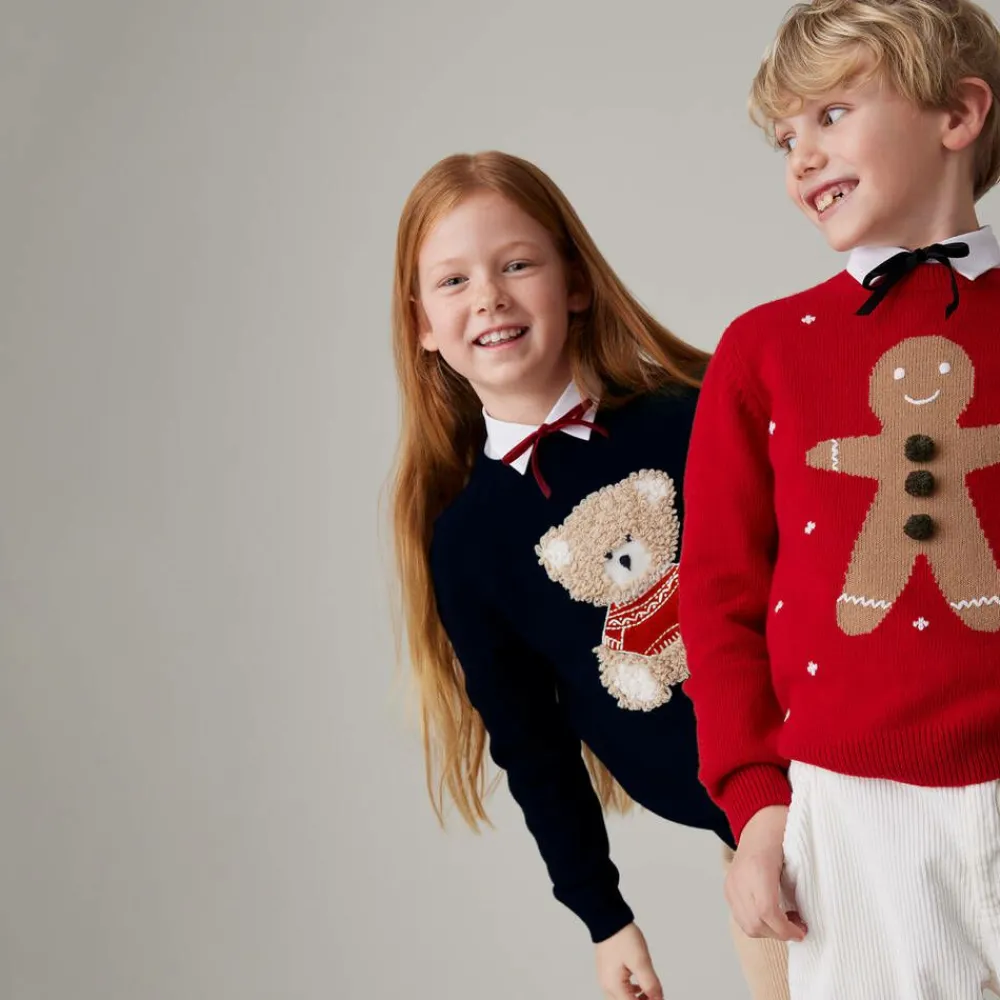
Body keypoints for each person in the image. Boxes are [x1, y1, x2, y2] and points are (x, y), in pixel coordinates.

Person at [389, 149, 789, 999]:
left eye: (516, 265)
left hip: (863, 776)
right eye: (454, 281)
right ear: (421, 323)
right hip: (757, 864)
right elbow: (532, 744)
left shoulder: (694, 414)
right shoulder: (467, 542)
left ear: (574, 282)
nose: (489, 297)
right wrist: (605, 920)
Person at [680, 2, 1000, 997]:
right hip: (856, 809)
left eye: (830, 115)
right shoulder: (762, 351)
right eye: (786, 139)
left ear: (957, 115)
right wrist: (756, 805)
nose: (802, 159)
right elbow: (718, 598)